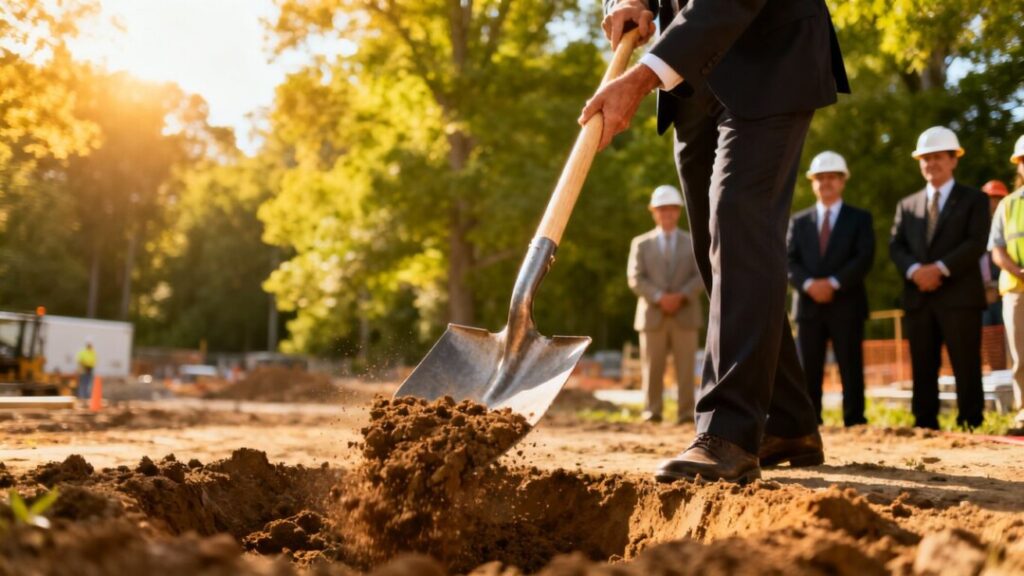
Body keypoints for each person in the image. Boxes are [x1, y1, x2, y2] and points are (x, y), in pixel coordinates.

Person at [583, 0, 849, 483]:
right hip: (692, 78)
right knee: (720, 251)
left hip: (769, 53)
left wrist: (642, 78)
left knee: (739, 220)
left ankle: (728, 430)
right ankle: (787, 421)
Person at [889, 126, 989, 430]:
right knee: (922, 363)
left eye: (938, 157)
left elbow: (976, 241)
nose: (931, 163)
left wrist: (940, 268)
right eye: (925, 158)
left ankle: (971, 421)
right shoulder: (907, 205)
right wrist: (915, 271)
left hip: (960, 297)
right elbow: (896, 245)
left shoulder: (974, 199)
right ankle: (925, 423)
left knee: (966, 362)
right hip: (919, 297)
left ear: (953, 159)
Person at [787, 151, 874, 427]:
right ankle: (809, 424)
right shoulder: (798, 221)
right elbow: (788, 260)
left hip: (847, 304)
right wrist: (810, 285)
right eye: (820, 177)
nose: (826, 182)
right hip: (808, 306)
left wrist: (834, 283)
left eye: (832, 177)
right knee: (808, 370)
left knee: (851, 366)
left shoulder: (860, 219)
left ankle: (855, 421)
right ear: (813, 182)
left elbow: (864, 257)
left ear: (842, 181)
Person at [628, 185, 704, 424]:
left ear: (678, 211)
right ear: (653, 212)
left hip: (685, 313)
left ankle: (686, 413)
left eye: (671, 208)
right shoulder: (641, 243)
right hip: (653, 315)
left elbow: (702, 274)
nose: (667, 213)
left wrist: (681, 295)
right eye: (662, 209)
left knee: (686, 369)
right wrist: (660, 297)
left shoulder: (692, 242)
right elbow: (635, 277)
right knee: (652, 368)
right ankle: (652, 411)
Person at [988, 135, 1024, 426]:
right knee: (1020, 356)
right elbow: (997, 249)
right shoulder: (1008, 205)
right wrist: (1018, 271)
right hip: (1017, 290)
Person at [981, 180, 1009, 326]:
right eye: (990, 198)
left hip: (1006, 291)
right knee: (984, 336)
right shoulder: (973, 227)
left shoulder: (1010, 226)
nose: (994, 203)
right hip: (981, 295)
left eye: (998, 198)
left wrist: (997, 288)